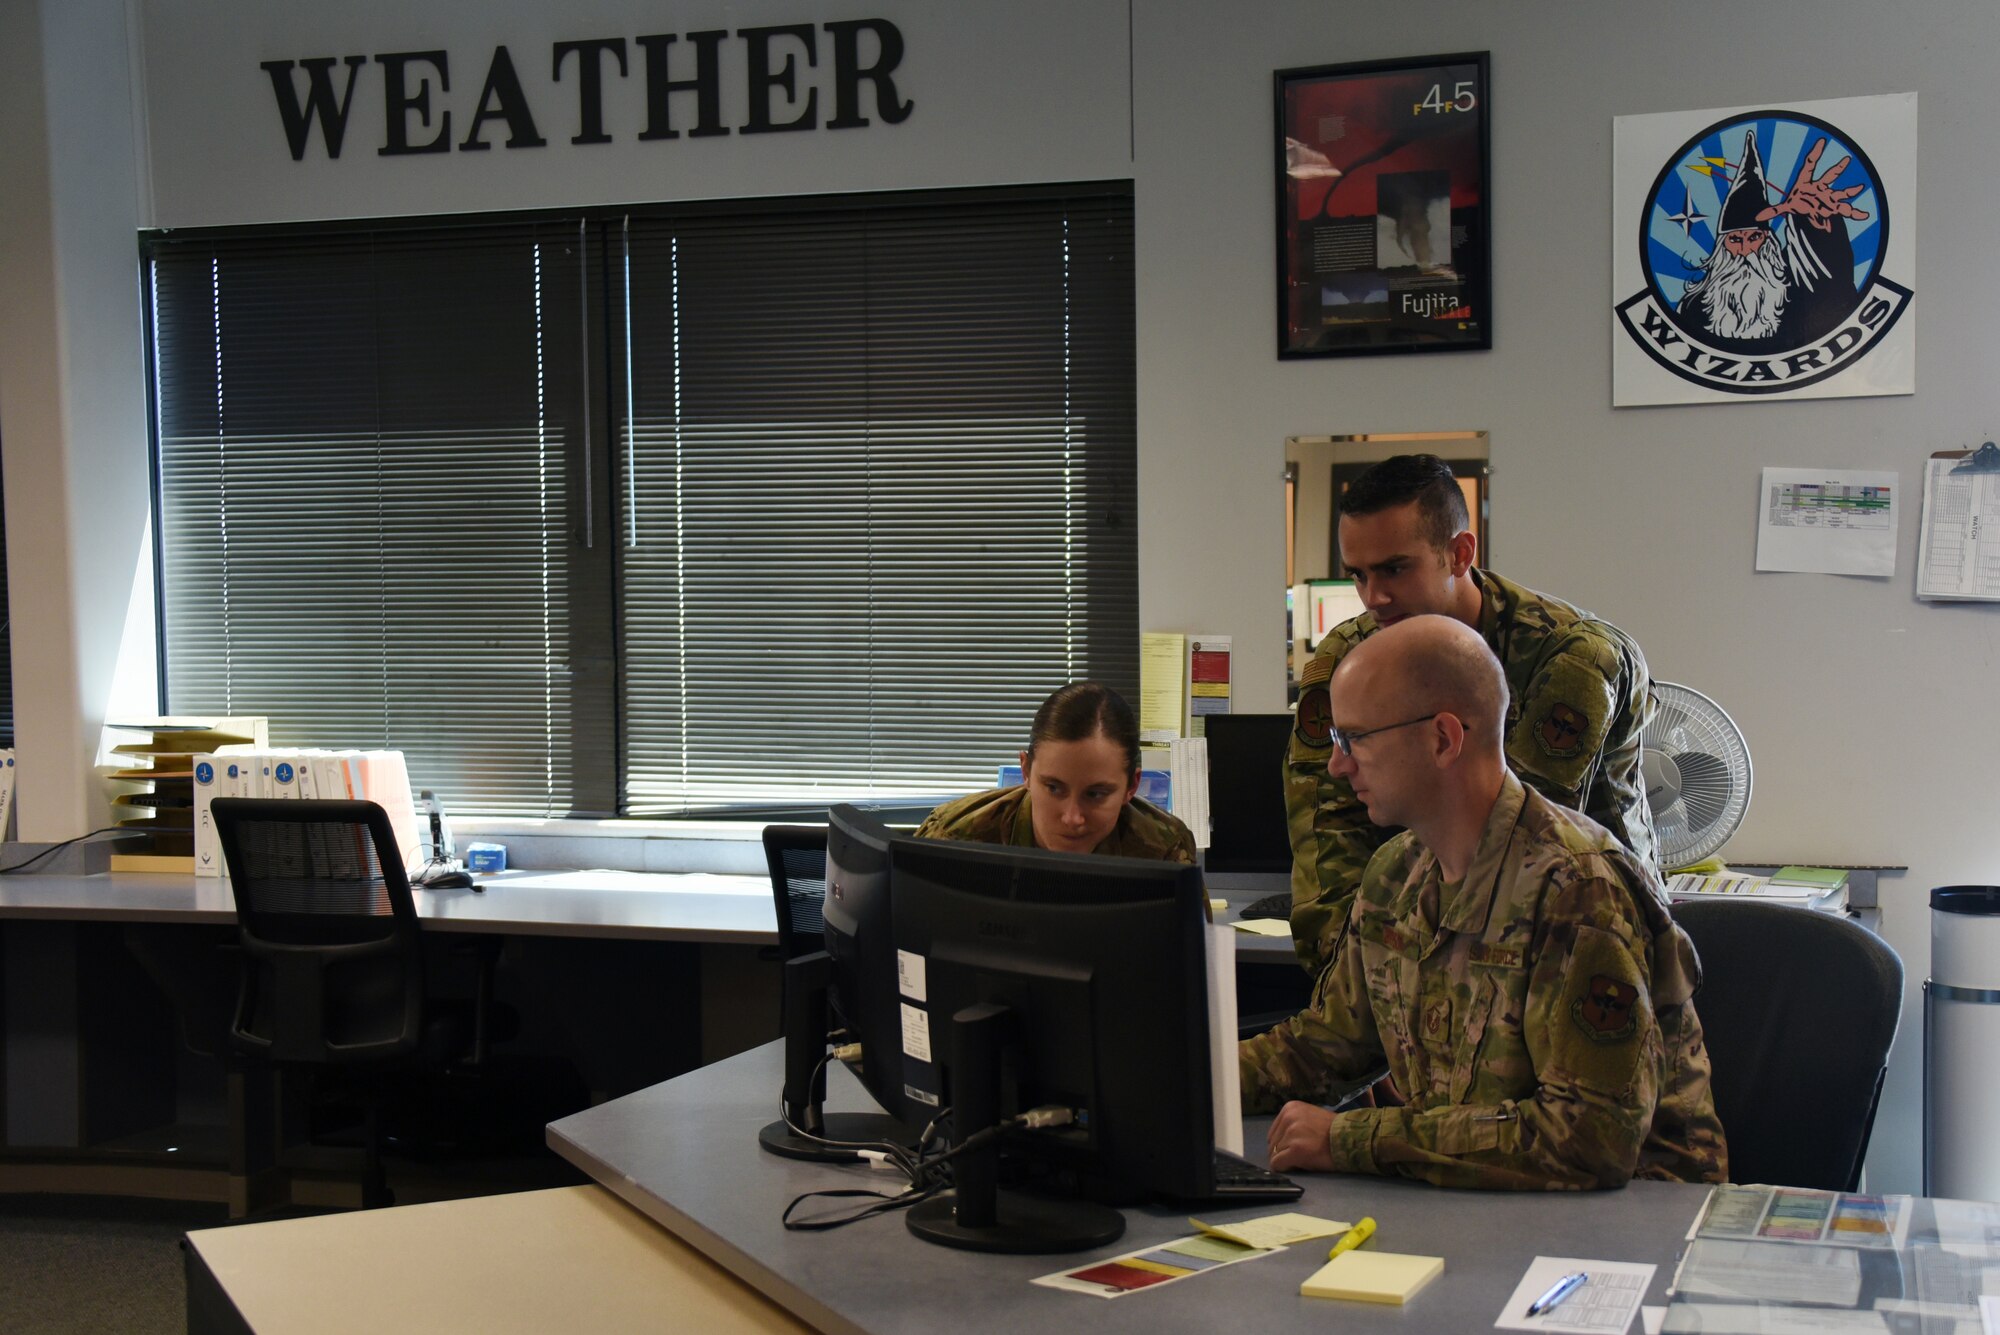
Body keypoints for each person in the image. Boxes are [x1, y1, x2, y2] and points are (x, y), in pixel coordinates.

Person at [1242, 616, 1726, 1190]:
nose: (1337, 765)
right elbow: (1325, 1050)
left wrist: (1352, 1138)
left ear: (1443, 739)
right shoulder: (1396, 873)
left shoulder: (1576, 888)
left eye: (1354, 739)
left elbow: (1589, 1137)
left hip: (1629, 1227)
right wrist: (1180, 1074)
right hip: (1480, 1206)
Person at [1287, 454, 1655, 977]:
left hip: (1587, 939)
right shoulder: (1350, 661)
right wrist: (1351, 991)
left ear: (1459, 553)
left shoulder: (1574, 658)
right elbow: (1327, 836)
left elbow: (1516, 843)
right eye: (1359, 575)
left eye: (1395, 569)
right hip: (1425, 951)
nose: (1375, 597)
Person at [916, 682, 1197, 864]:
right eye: (1053, 788)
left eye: (1096, 794)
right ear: (1026, 771)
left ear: (1131, 787)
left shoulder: (1164, 852)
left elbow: (1191, 955)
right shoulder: (952, 839)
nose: (1072, 818)